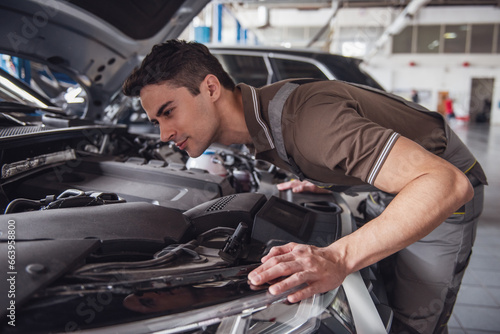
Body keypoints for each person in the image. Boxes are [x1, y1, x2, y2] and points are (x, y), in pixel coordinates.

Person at [122, 40, 487, 334]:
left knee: (410, 322)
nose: (164, 134)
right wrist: (325, 175)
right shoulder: (258, 125)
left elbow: (444, 183)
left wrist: (337, 257)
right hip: (385, 186)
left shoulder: (309, 123)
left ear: (211, 87)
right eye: (156, 121)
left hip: (443, 186)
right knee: (385, 289)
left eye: (168, 112)